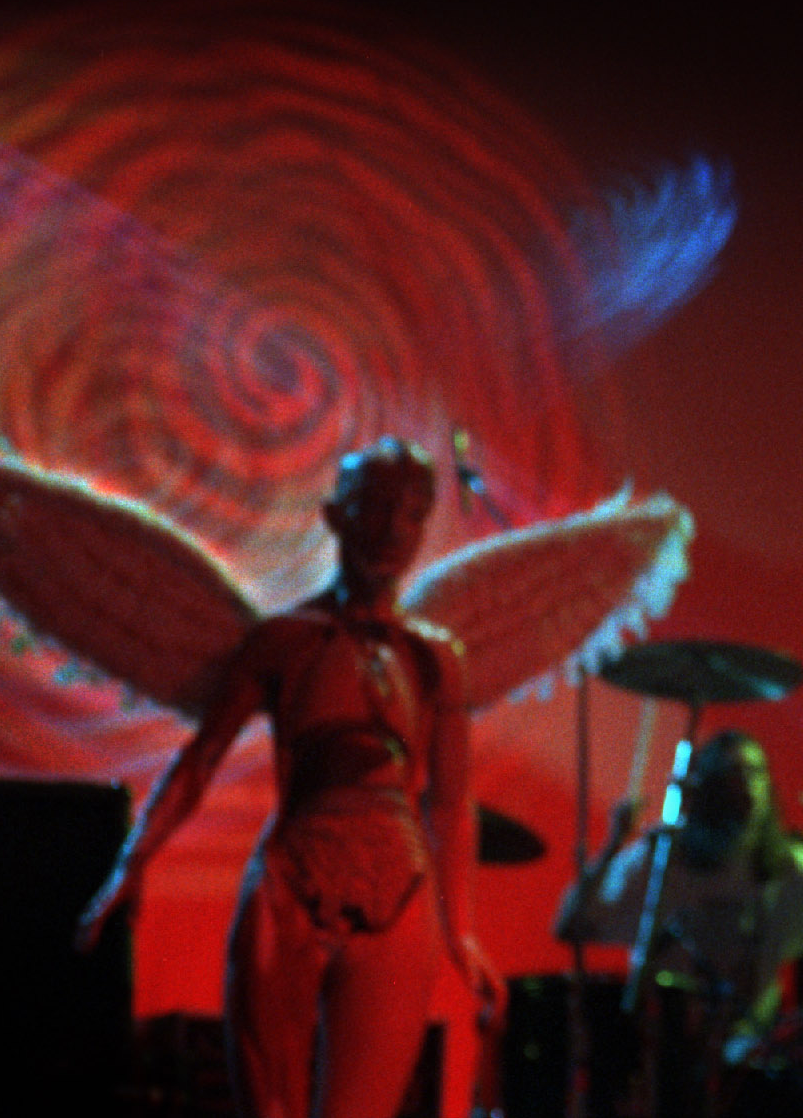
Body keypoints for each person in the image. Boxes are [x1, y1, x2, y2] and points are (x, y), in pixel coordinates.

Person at [78, 438, 500, 1118]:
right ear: (335, 517)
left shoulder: (437, 659)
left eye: (410, 513)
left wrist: (463, 932)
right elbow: (202, 759)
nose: (391, 530)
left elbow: (450, 805)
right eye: (373, 507)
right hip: (291, 882)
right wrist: (132, 861)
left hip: (400, 886)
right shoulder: (284, 641)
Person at [555, 729, 803, 1063]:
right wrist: (613, 845)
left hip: (745, 1060)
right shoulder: (663, 859)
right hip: (658, 1049)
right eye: (732, 775)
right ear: (708, 788)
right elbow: (572, 925)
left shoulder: (787, 868)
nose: (747, 786)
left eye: (755, 773)